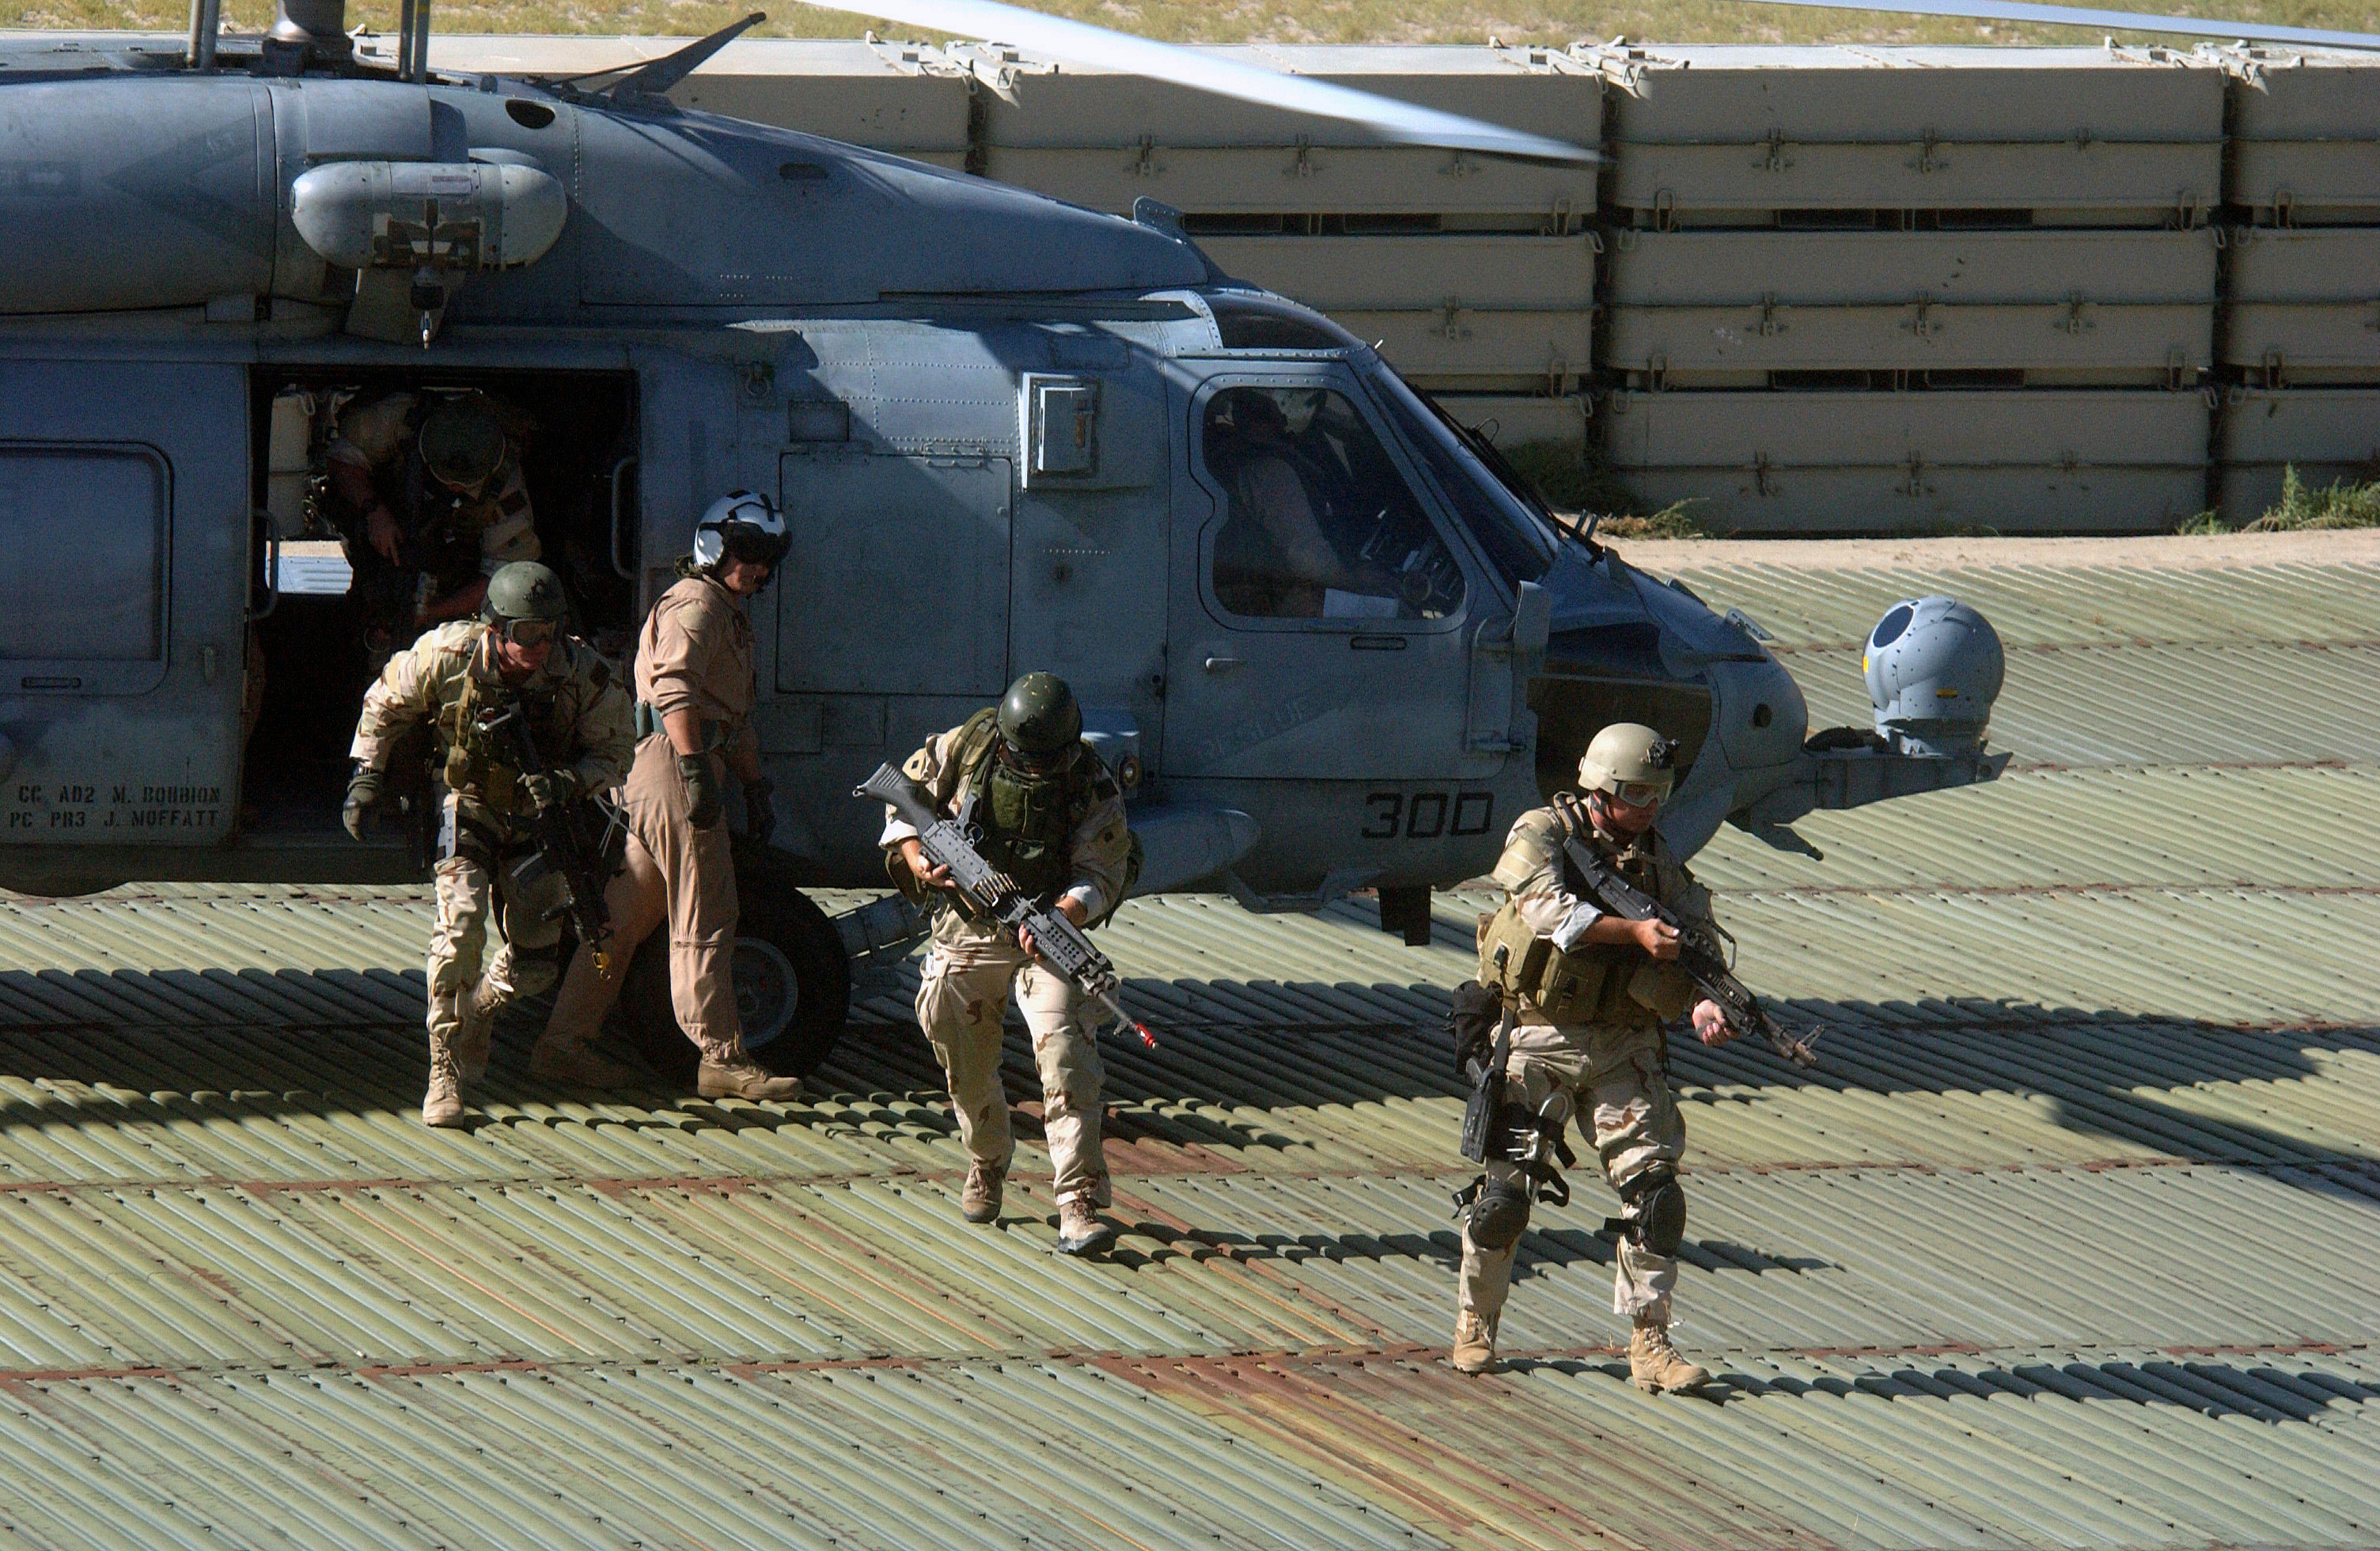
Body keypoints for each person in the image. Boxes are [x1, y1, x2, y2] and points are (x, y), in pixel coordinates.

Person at [1451, 722, 1734, 1391]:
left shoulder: (1658, 860)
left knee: (1657, 1197)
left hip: (1622, 1045)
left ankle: (1650, 1346)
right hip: (1535, 1036)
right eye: (1637, 793)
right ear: (1601, 787)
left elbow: (1696, 938)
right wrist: (1634, 930)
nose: (1650, 807)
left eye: (1659, 794)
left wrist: (1705, 1000)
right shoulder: (1542, 834)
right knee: (1503, 1200)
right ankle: (1475, 1323)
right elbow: (1551, 913)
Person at [531, 491, 803, 1102]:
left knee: (625, 916)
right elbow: (674, 694)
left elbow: (728, 718)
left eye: (767, 558)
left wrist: (754, 783)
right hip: (674, 766)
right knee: (707, 907)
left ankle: (564, 1042)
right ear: (717, 546)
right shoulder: (697, 605)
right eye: (749, 553)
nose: (758, 568)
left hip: (673, 766)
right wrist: (696, 773)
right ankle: (720, 1057)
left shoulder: (723, 612)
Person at [343, 561, 635, 1127]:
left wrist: (568, 781)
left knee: (536, 964)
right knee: (459, 931)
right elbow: (385, 701)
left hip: (542, 818)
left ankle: (480, 1009)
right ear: (496, 628)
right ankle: (444, 1070)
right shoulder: (449, 655)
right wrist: (366, 777)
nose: (540, 647)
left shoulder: (582, 674)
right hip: (470, 804)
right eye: (527, 634)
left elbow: (618, 750)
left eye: (549, 632)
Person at [881, 672, 1131, 1256]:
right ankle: (988, 1158)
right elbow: (904, 803)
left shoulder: (1091, 785)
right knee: (957, 1045)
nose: (1037, 771)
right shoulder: (967, 747)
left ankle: (1078, 1202)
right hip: (968, 927)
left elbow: (1104, 874)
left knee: (1067, 1053)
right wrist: (921, 862)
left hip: (1043, 932)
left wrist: (1062, 915)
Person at [328, 391, 540, 653]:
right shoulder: (399, 421)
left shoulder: (506, 483)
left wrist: (433, 612)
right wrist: (375, 512)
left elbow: (505, 577)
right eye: (447, 480)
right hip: (383, 549)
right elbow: (341, 459)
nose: (454, 488)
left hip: (454, 583)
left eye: (464, 484)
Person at [1204, 389, 1391, 618]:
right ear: (1268, 421)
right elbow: (1307, 561)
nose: (1284, 425)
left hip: (1249, 595)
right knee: (1398, 616)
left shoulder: (1227, 455)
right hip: (1271, 603)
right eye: (1276, 417)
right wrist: (1355, 579)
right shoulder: (1269, 471)